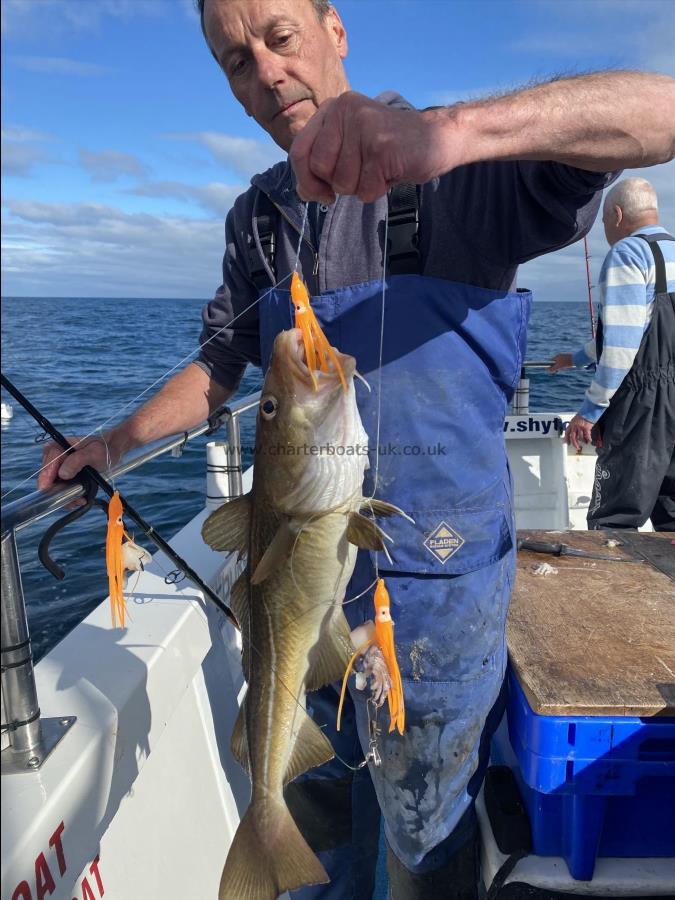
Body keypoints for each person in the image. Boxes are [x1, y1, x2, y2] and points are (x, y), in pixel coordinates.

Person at [38, 2, 675, 896]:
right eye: (233, 60)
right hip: (302, 577)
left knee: (427, 828)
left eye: (280, 36)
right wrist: (116, 438)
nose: (263, 72)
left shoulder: (456, 170)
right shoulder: (256, 218)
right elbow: (224, 360)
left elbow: (656, 115)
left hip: (440, 591)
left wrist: (450, 134)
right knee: (322, 806)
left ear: (335, 30)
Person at [550, 177, 675, 531]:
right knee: (671, 512)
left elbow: (621, 346)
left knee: (614, 519)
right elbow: (642, 329)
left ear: (617, 214)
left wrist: (589, 413)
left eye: (605, 221)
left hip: (644, 403)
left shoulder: (628, 254)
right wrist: (574, 358)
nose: (606, 229)